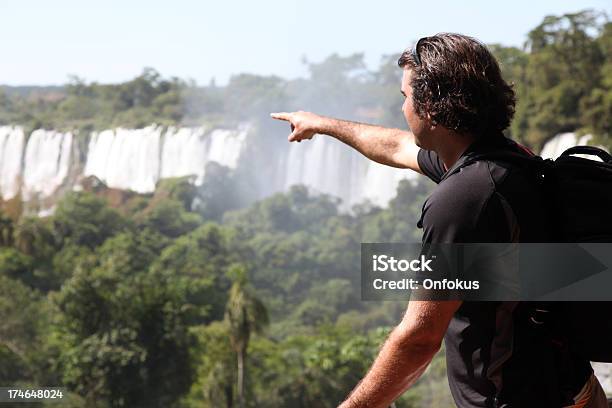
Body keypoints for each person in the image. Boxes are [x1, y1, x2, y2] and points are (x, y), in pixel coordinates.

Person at [271, 33, 608, 408]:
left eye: (405, 97)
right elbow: (396, 147)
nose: (402, 108)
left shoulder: (463, 200)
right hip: (573, 384)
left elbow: (419, 337)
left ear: (429, 106)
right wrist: (321, 124)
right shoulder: (505, 159)